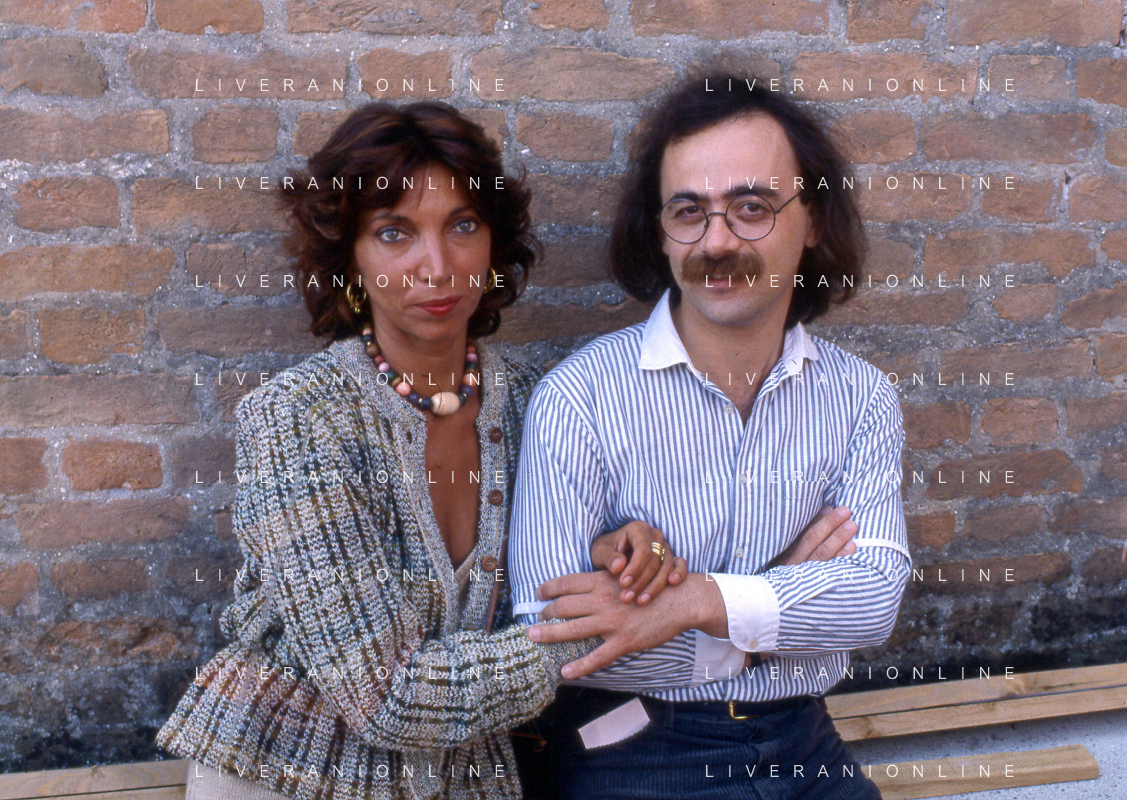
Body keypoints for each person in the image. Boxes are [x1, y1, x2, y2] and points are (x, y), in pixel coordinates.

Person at [154, 100, 694, 800]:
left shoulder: (535, 401)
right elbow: (386, 695)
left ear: (493, 244)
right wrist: (609, 627)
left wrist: (616, 552)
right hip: (286, 778)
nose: (436, 267)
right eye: (393, 233)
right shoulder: (300, 420)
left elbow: (556, 566)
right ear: (349, 256)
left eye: (462, 226)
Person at [510, 74, 911, 798]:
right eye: (688, 211)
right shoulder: (579, 398)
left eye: (751, 207)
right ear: (659, 230)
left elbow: (873, 599)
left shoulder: (861, 398)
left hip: (803, 737)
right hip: (632, 746)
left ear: (813, 220)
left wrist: (692, 600)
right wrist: (774, 607)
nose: (716, 242)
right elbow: (552, 636)